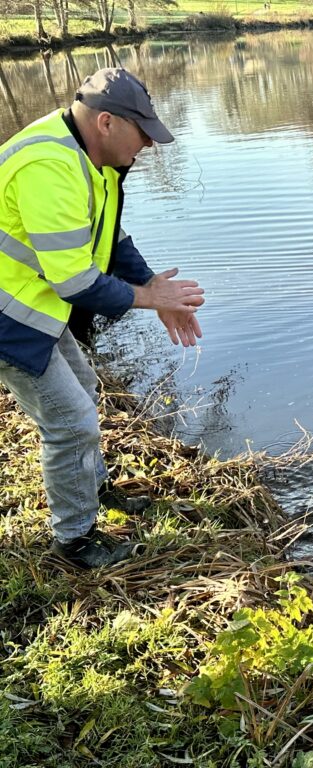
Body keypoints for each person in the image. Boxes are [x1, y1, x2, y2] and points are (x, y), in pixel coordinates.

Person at [0, 67, 204, 569]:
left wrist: (154, 284)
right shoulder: (49, 167)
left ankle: (92, 488)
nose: (150, 146)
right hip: (9, 318)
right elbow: (75, 282)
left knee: (85, 391)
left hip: (32, 303)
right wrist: (150, 299)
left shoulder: (92, 157)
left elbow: (106, 239)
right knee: (71, 424)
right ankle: (74, 540)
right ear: (108, 122)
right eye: (144, 134)